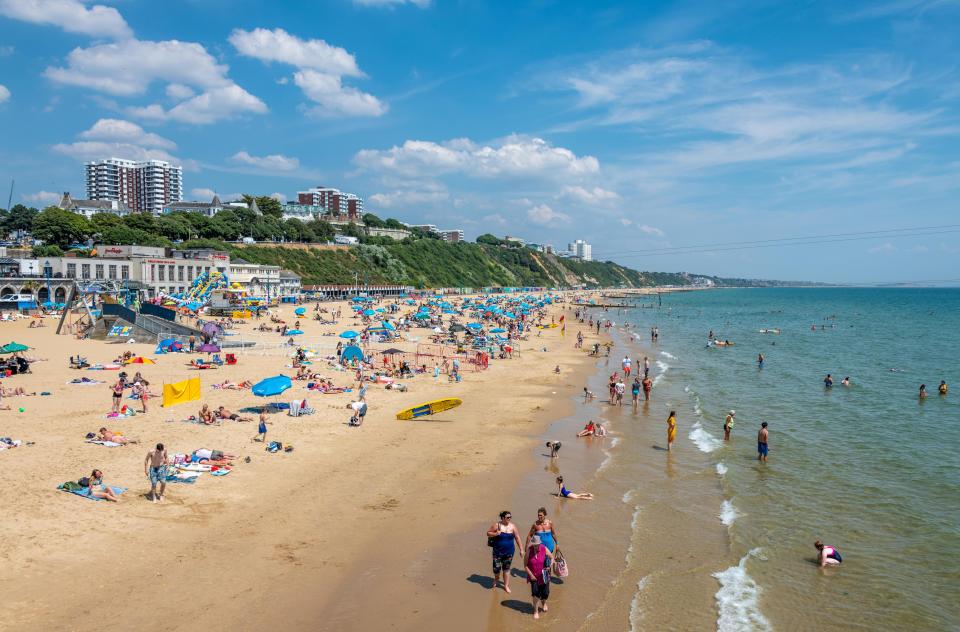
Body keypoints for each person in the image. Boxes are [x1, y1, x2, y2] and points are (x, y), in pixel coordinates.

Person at [486, 510, 523, 594]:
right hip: (497, 552)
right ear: (502, 518)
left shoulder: (513, 526)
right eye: (507, 517)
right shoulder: (497, 525)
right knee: (496, 569)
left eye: (510, 517)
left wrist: (521, 549)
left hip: (509, 552)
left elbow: (517, 538)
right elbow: (488, 533)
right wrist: (496, 534)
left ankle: (506, 585)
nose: (509, 519)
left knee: (506, 569)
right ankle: (496, 579)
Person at [525, 534, 555, 620]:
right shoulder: (529, 551)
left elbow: (552, 557)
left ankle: (544, 603)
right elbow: (525, 565)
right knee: (536, 593)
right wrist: (531, 575)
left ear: (540, 544)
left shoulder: (544, 548)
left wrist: (550, 565)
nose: (536, 547)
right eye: (534, 545)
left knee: (545, 593)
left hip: (545, 575)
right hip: (534, 576)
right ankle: (535, 611)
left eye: (537, 545)